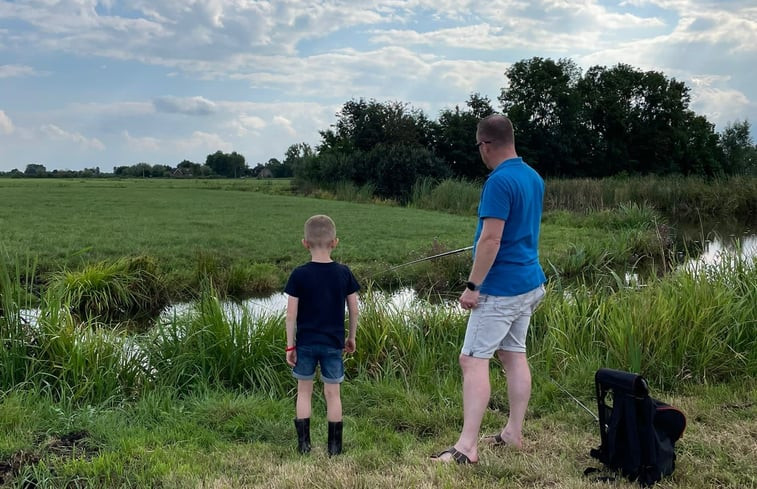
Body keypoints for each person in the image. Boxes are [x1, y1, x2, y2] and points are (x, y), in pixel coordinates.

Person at [431, 114, 547, 464]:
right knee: (513, 355)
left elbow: (492, 238)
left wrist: (472, 286)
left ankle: (466, 448)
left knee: (471, 360)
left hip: (501, 288)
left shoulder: (498, 182)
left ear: (485, 144)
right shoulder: (532, 177)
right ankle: (513, 432)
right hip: (530, 283)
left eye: (478, 146)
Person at [284, 214, 360, 456]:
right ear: (335, 242)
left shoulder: (299, 274)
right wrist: (351, 337)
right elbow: (355, 309)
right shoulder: (344, 273)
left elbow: (290, 315)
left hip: (305, 344)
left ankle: (304, 446)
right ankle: (334, 448)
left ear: (304, 243)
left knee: (304, 391)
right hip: (333, 344)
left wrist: (290, 346)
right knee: (332, 394)